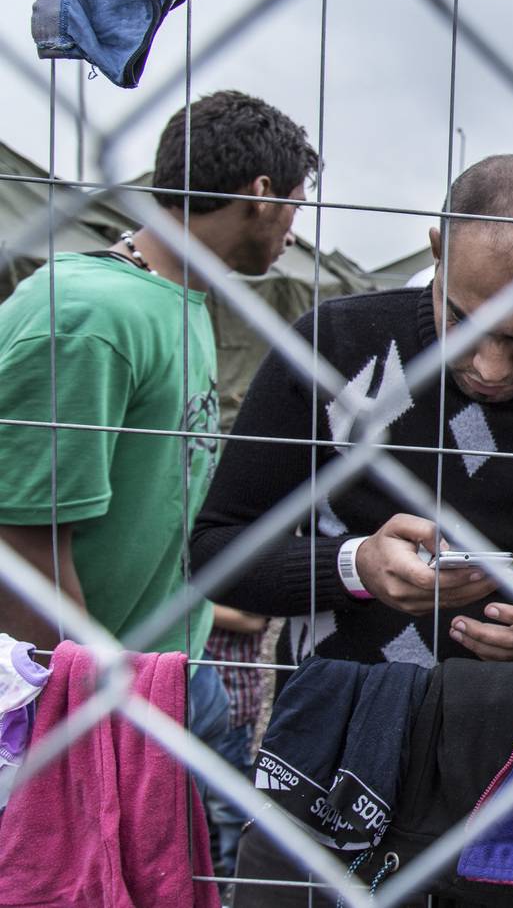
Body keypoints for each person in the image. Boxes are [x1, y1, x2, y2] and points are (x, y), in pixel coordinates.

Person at [0, 89, 314, 877]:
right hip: (94, 686)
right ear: (259, 195)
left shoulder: (180, 299)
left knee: (206, 862)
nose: (293, 232)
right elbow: (24, 541)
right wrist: (87, 696)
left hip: (178, 661)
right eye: (295, 207)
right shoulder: (89, 314)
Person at [190, 154, 513, 673]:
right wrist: (354, 567)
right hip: (332, 719)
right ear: (438, 251)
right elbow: (213, 553)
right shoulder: (332, 346)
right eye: (464, 322)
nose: (489, 369)